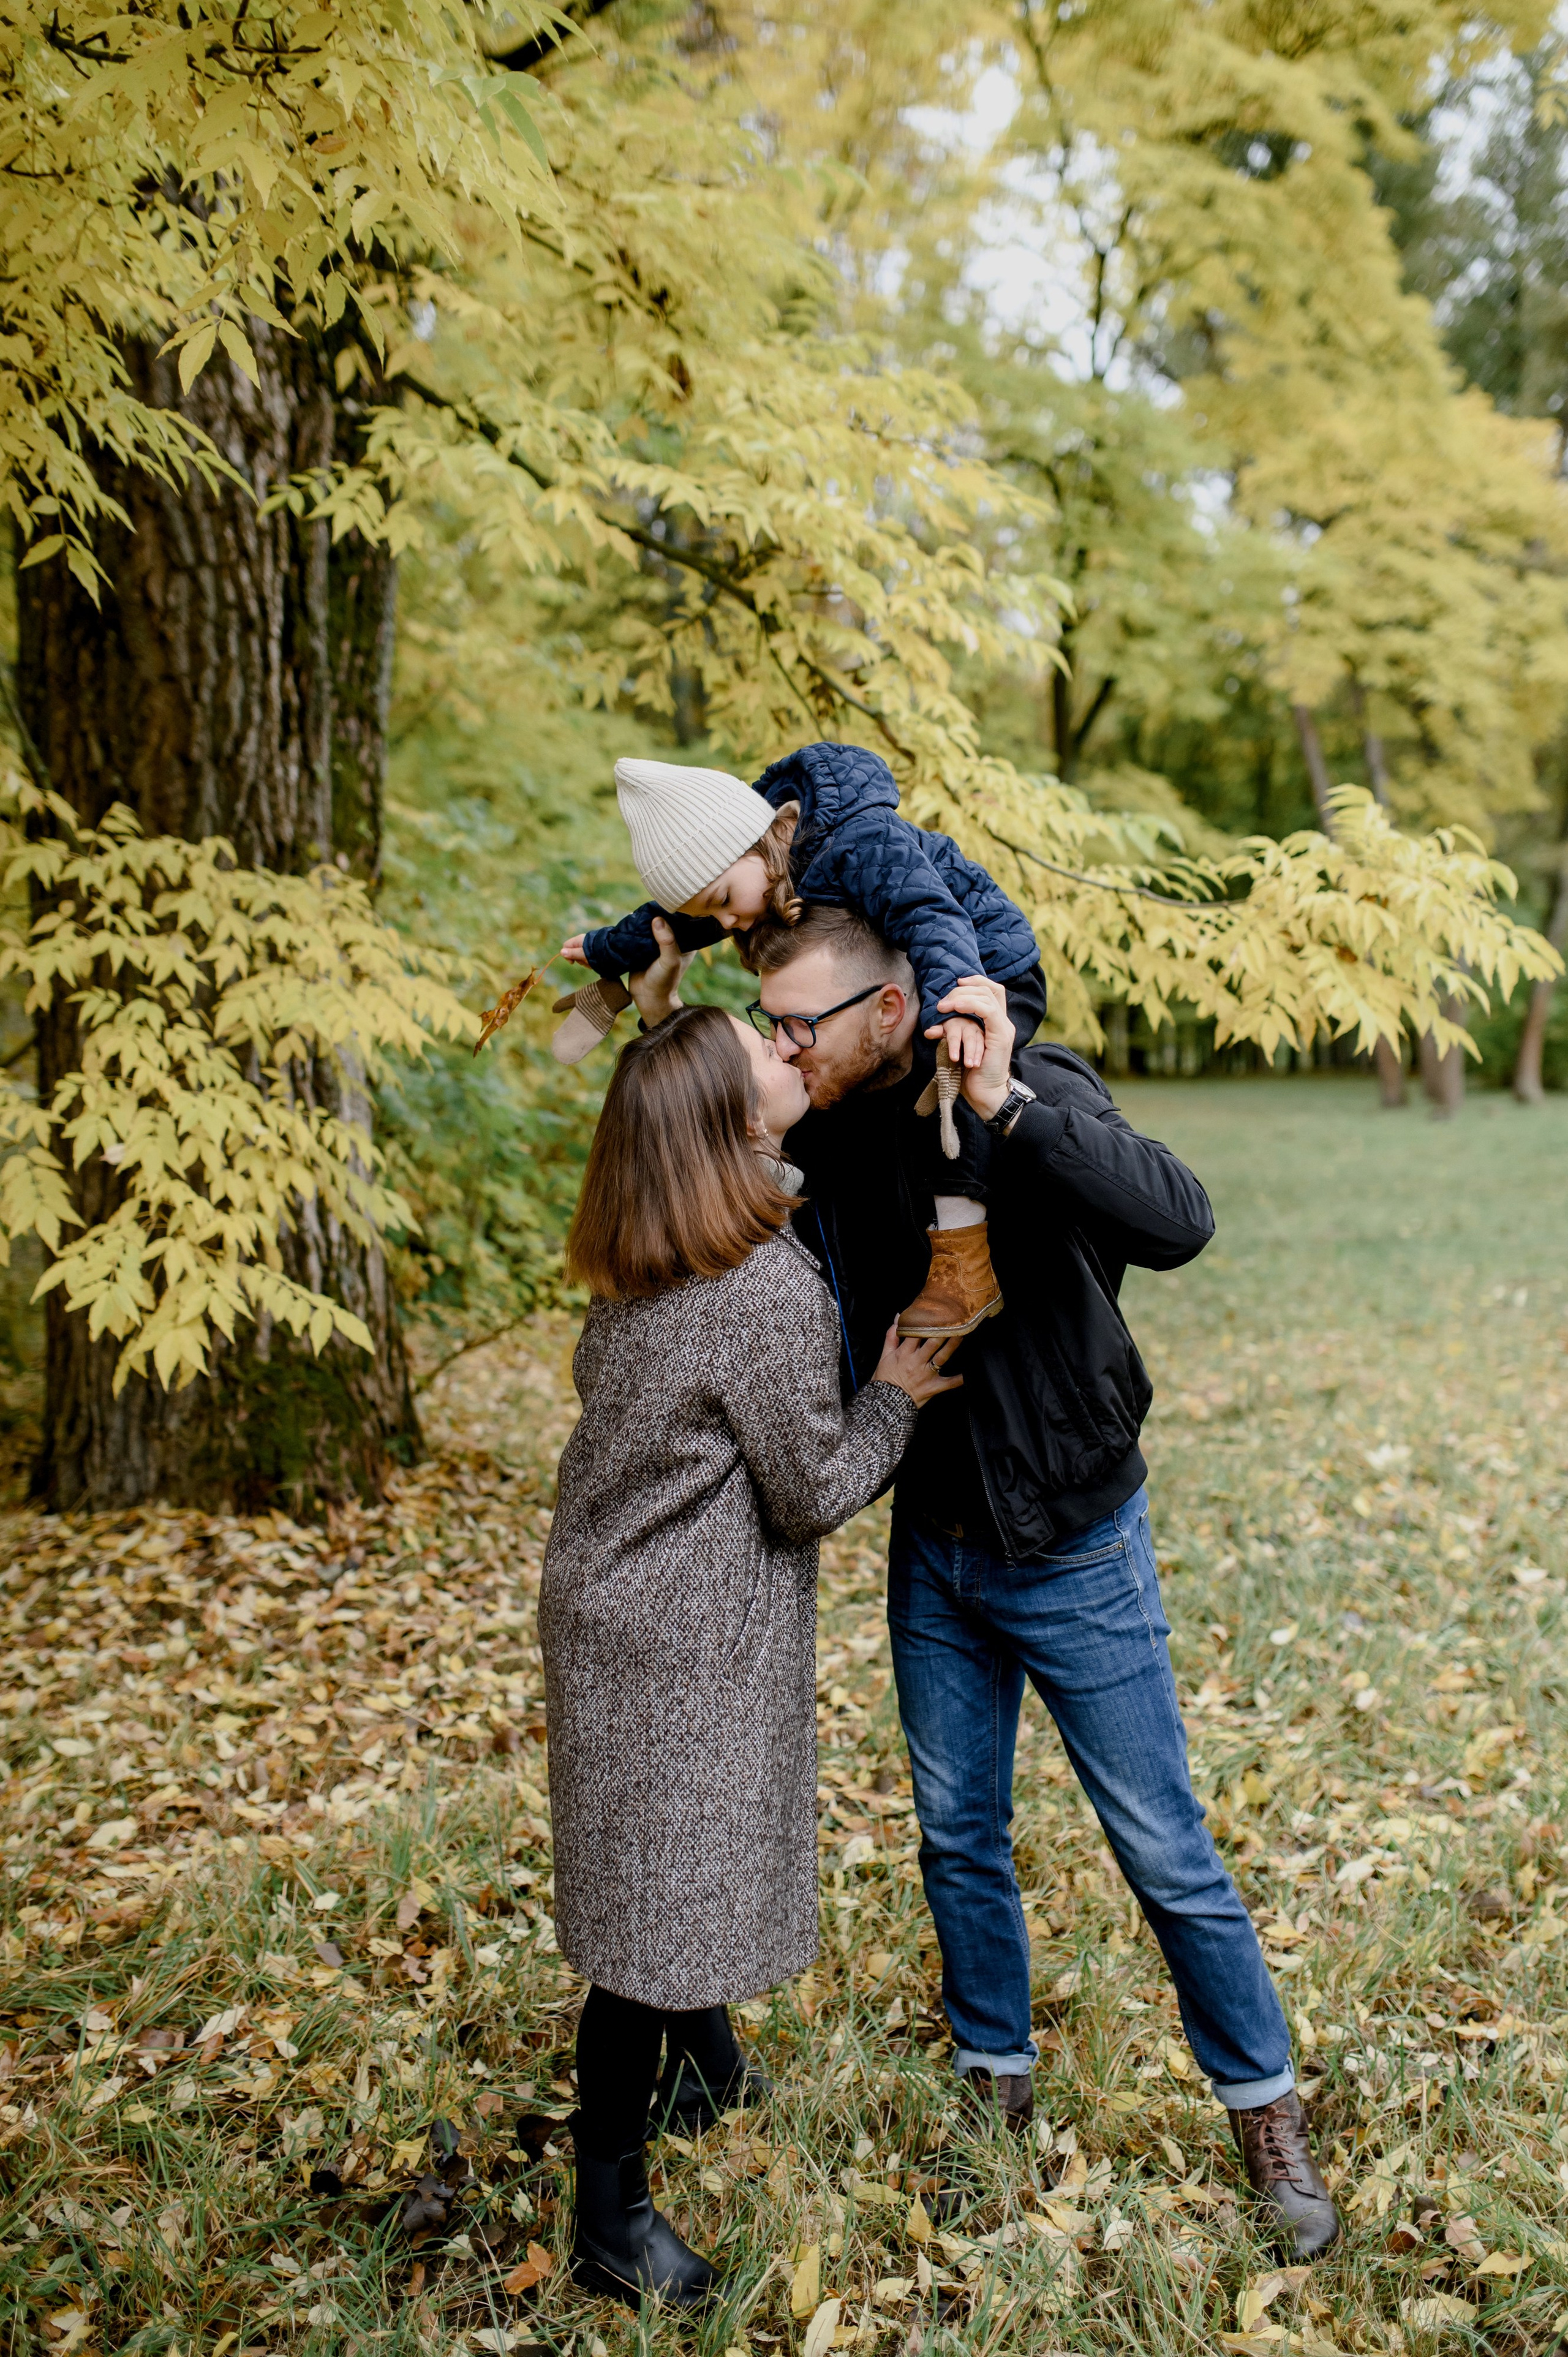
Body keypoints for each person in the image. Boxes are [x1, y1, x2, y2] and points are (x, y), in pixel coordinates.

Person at [626, 906, 1340, 2261]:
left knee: (1162, 1848)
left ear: (887, 1009)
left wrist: (1008, 1102)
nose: (781, 1044)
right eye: (768, 1026)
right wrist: (665, 1020)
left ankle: (1265, 2118)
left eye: (797, 1023)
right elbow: (695, 1138)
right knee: (958, 1837)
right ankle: (990, 2093)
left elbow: (1180, 1221)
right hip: (936, 1543)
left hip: (1073, 1538)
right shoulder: (827, 1125)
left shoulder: (1025, 1077)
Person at [538, 998, 960, 2310]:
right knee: (648, 1923)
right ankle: (607, 2209)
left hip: (616, 1609)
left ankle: (708, 2063)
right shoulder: (758, 1286)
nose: (789, 1050)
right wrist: (893, 1385)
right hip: (672, 1638)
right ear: (728, 1121)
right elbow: (810, 1486)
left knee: (671, 1862)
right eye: (760, 1054)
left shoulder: (656, 1258)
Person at [552, 741, 1049, 1338]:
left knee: (953, 1068)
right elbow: (671, 921)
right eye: (713, 915)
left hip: (986, 965)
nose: (729, 925)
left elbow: (930, 916)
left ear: (767, 839)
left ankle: (963, 1254)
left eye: (724, 905)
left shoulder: (860, 838)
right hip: (922, 976)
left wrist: (956, 1001)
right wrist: (609, 949)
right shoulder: (749, 869)